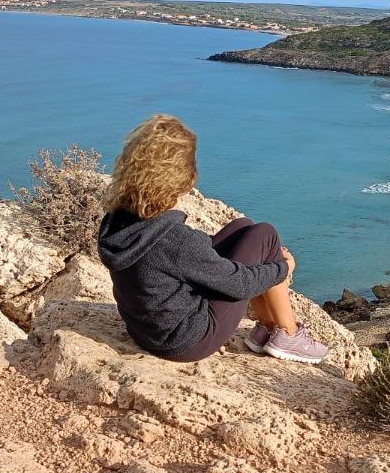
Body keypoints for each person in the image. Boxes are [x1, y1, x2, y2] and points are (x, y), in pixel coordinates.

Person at [96, 114, 330, 365]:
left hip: (145, 331)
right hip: (187, 342)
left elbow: (176, 261)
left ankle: (266, 330)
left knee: (243, 228)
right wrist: (283, 269)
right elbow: (239, 284)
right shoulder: (177, 241)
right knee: (266, 235)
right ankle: (288, 335)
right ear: (179, 177)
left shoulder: (116, 221)